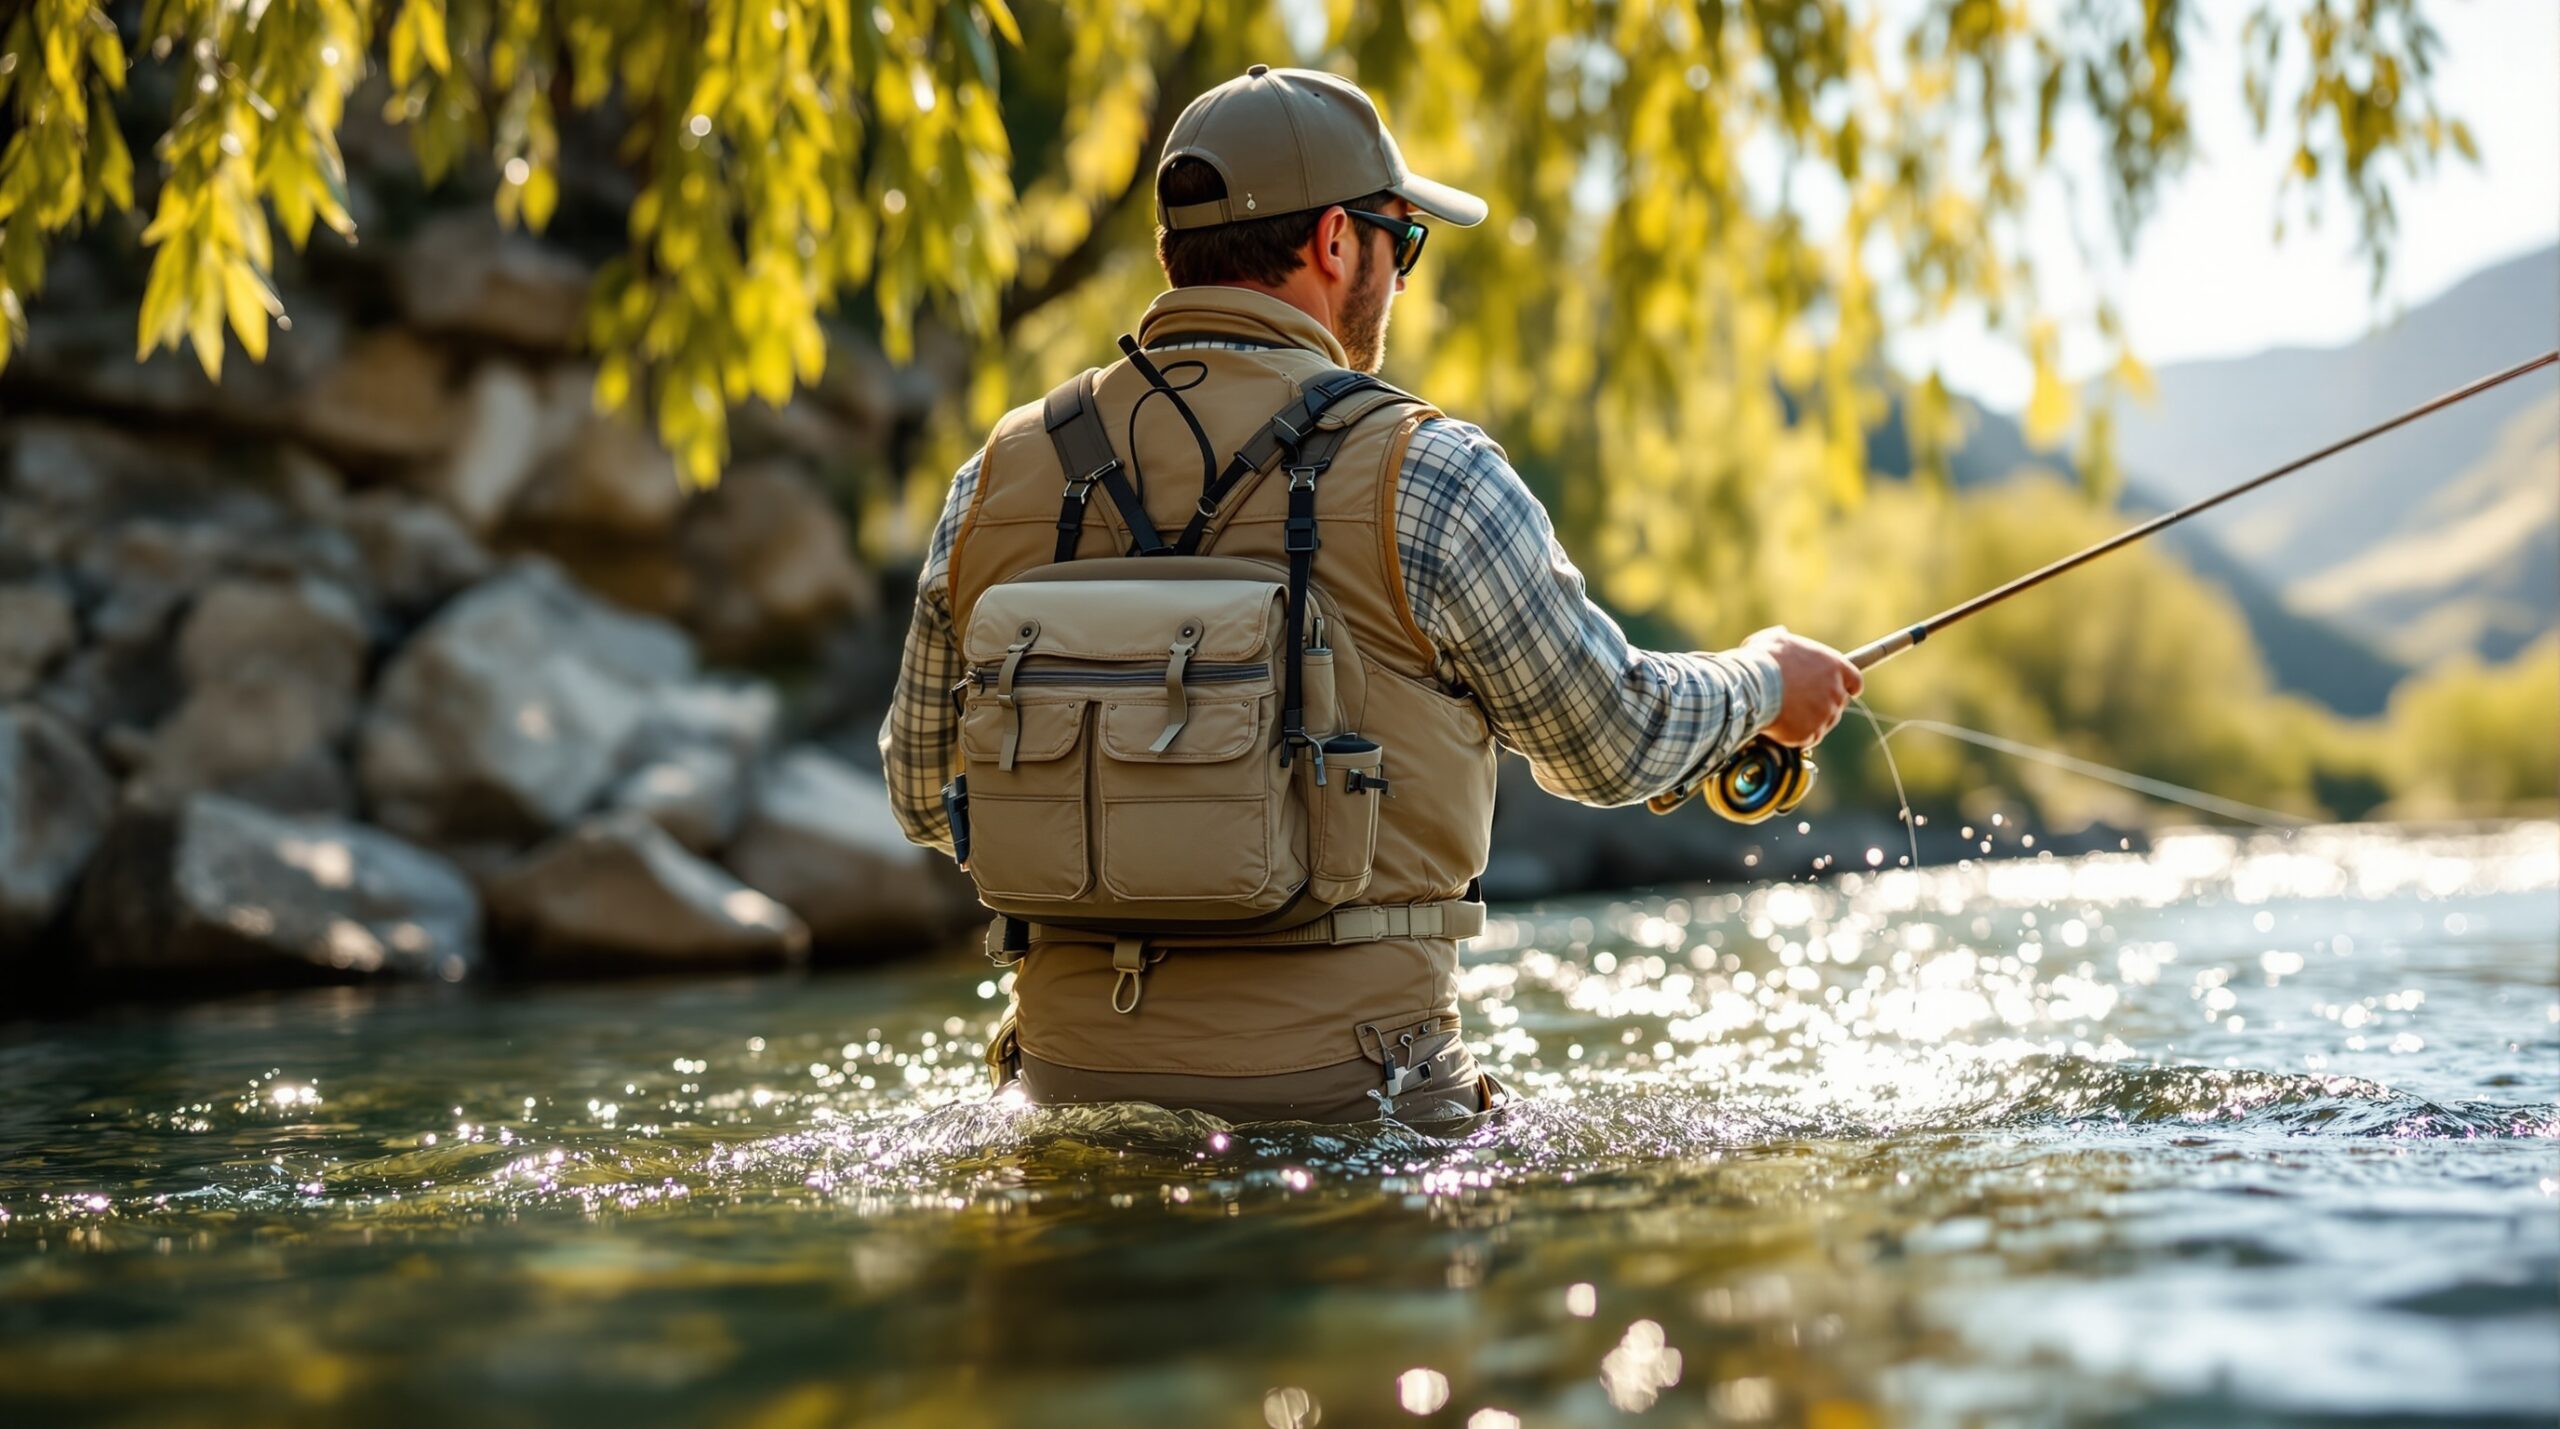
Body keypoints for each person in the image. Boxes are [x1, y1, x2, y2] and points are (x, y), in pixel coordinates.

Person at [882, 65, 1860, 1123]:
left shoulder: (995, 478)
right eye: (1404, 243)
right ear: (1334, 243)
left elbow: (926, 793)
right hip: (1361, 1112)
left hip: (1062, 1102)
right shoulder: (1430, 472)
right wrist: (1764, 681)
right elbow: (1609, 740)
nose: (1401, 280)